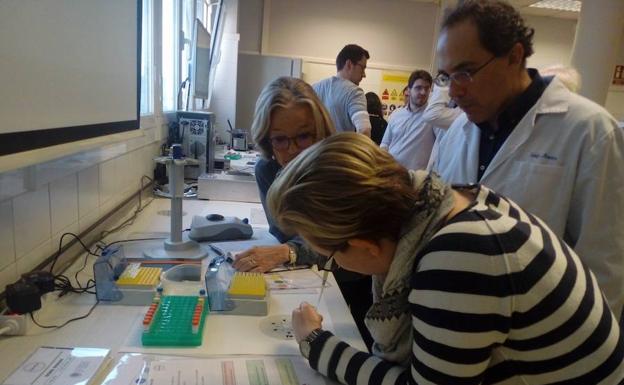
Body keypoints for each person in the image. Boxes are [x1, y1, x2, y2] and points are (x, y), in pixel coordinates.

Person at [266, 132, 624, 385]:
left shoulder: (459, 256)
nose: (334, 265)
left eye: (330, 257)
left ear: (365, 244)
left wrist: (316, 343)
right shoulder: (449, 201)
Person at [430, 0, 624, 320]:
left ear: (515, 56)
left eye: (465, 72)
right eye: (446, 77)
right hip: (461, 324)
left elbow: (605, 264)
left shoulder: (588, 131)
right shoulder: (456, 133)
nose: (454, 92)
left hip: (544, 339)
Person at [233, 76, 374, 350]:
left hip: (354, 281)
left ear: (321, 129)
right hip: (305, 280)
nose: (294, 150)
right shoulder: (267, 170)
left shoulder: (340, 168)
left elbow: (339, 243)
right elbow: (285, 231)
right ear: (266, 138)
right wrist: (296, 248)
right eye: (280, 140)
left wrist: (289, 251)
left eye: (303, 136)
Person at [380, 70, 435, 170]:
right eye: (418, 88)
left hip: (415, 178)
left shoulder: (432, 117)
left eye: (426, 89)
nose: (423, 92)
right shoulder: (396, 114)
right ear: (409, 90)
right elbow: (385, 143)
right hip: (391, 172)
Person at [313, 44, 371, 137]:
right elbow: (364, 129)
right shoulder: (355, 92)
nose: (364, 75)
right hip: (339, 150)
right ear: (349, 64)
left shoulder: (314, 88)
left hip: (316, 150)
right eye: (362, 68)